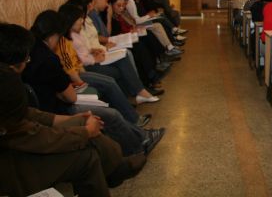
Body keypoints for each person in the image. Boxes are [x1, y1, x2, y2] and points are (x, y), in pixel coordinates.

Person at [0, 24, 146, 196]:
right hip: (9, 162)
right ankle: (118, 166)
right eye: (27, 60)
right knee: (86, 156)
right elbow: (31, 137)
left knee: (84, 122)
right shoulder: (9, 84)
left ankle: (116, 167)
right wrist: (85, 133)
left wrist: (66, 121)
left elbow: (24, 115)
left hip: (21, 139)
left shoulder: (9, 79)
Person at [22, 11, 164, 156]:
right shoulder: (49, 58)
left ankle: (141, 134)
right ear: (54, 35)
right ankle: (139, 145)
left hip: (43, 107)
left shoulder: (30, 49)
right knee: (111, 113)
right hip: (56, 110)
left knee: (108, 89)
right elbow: (71, 97)